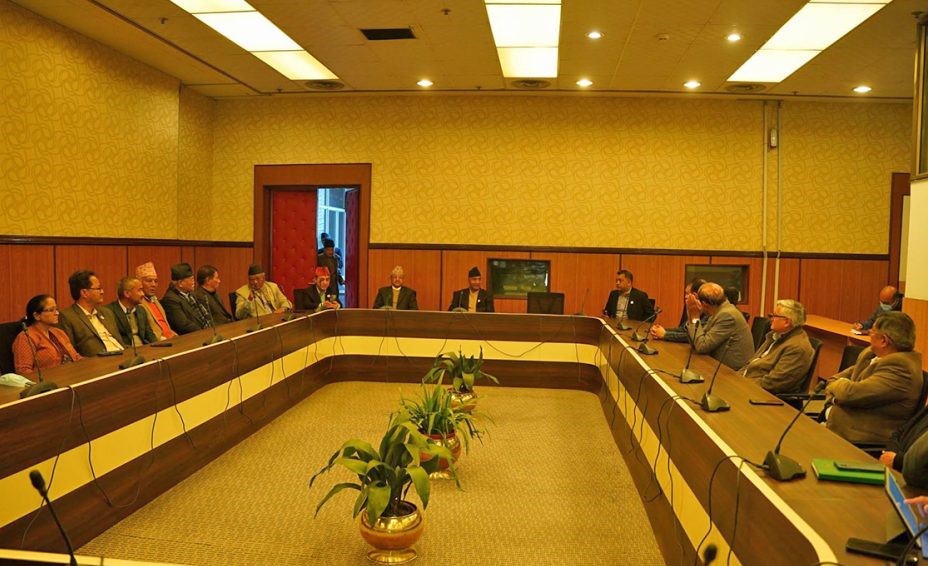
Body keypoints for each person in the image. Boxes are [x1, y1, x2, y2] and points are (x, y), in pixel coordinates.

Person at [825, 311, 923, 444]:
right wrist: (839, 394)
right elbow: (833, 379)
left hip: (862, 437)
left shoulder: (900, 368)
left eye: (872, 332)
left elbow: (850, 393)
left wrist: (836, 395)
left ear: (883, 340)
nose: (869, 335)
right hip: (841, 425)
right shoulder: (874, 356)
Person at [740, 299, 814, 394]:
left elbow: (773, 383)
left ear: (787, 322)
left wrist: (742, 384)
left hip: (761, 394)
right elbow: (750, 364)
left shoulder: (797, 347)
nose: (771, 319)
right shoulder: (774, 336)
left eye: (774, 316)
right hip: (748, 383)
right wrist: (735, 378)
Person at [685, 282, 754, 370]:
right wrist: (691, 316)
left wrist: (695, 318)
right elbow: (697, 342)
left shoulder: (727, 315)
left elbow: (702, 346)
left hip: (733, 372)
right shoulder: (719, 310)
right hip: (718, 366)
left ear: (704, 304)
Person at [57, 270, 126, 357]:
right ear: (84, 293)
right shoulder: (67, 317)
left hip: (123, 356)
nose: (102, 292)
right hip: (100, 361)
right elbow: (70, 353)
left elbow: (120, 341)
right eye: (98, 288)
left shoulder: (106, 312)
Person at [12, 294, 82, 374]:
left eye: (57, 309)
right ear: (37, 315)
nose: (57, 313)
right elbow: (23, 371)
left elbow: (76, 357)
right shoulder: (26, 337)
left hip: (73, 374)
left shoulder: (59, 332)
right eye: (51, 310)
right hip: (50, 380)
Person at [879, 408, 928, 488]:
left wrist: (896, 460)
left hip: (916, 486)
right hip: (896, 472)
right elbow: (899, 433)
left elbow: (919, 463)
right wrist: (891, 454)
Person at [651, 278, 706, 343]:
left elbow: (692, 337)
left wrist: (665, 334)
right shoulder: (690, 306)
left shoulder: (708, 313)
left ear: (696, 296)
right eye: (685, 293)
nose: (685, 296)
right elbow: (684, 329)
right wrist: (661, 330)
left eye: (688, 294)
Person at [162, 262, 211, 334]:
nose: (194, 282)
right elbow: (183, 325)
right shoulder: (170, 300)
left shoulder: (191, 294)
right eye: (191, 279)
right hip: (190, 336)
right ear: (180, 283)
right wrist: (204, 332)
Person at [108, 277, 157, 347]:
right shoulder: (109, 312)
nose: (143, 294)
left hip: (145, 349)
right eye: (139, 290)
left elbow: (150, 336)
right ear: (127, 293)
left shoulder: (141, 310)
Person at [135, 262, 176, 341]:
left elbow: (166, 326)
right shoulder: (138, 303)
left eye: (156, 281)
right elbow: (146, 334)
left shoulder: (155, 300)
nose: (153, 284)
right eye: (149, 281)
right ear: (139, 283)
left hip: (172, 339)